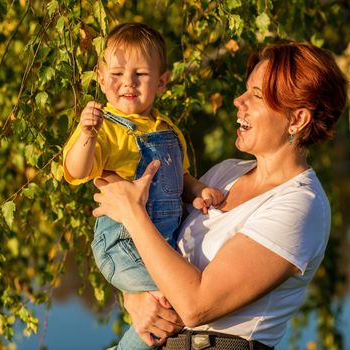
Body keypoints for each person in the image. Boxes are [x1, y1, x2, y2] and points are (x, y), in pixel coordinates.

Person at [92, 40, 348, 349]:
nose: (238, 101)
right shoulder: (224, 174)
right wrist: (135, 296)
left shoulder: (300, 206)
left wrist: (132, 213)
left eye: (256, 95)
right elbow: (158, 253)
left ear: (297, 119)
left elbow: (195, 306)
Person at [63, 23, 224, 349]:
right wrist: (86, 135)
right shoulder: (105, 129)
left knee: (172, 310)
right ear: (102, 79)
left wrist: (199, 191)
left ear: (162, 82)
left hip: (158, 246)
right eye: (118, 73)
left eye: (140, 74)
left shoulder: (168, 130)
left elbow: (182, 180)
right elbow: (75, 169)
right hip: (121, 246)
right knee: (177, 299)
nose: (128, 83)